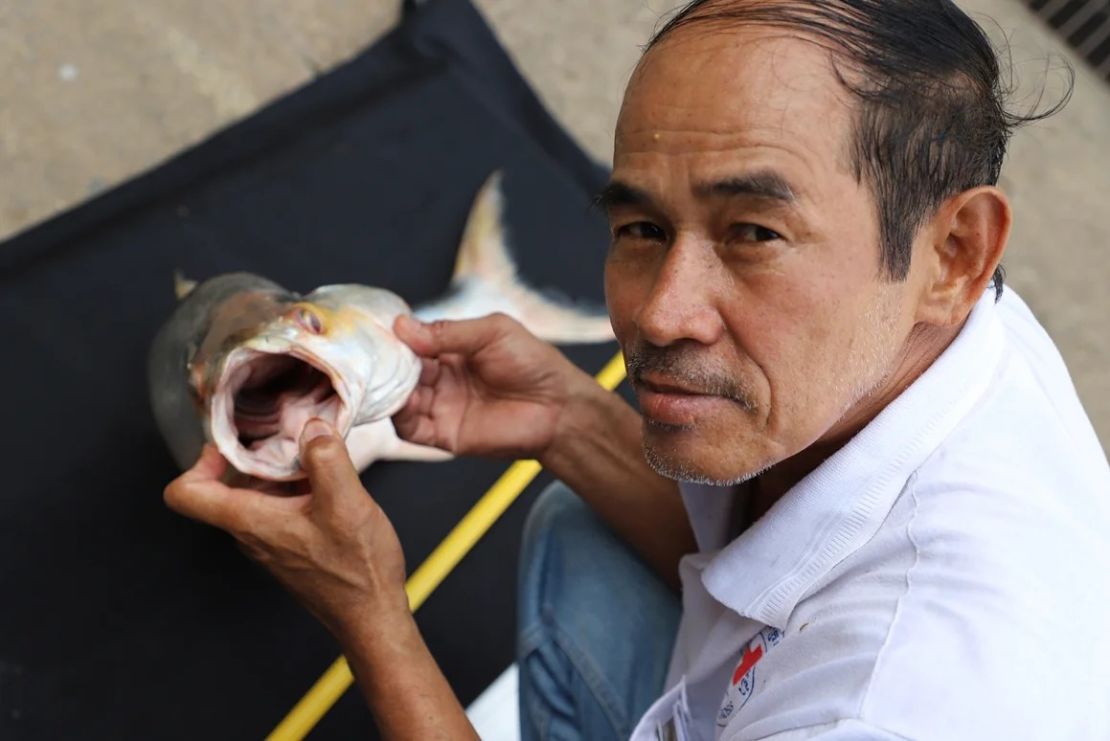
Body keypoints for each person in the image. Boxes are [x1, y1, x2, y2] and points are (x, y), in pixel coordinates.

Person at [163, 0, 1110, 738]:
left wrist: (369, 614)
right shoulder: (947, 327)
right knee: (586, 515)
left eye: (754, 233)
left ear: (955, 251)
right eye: (641, 228)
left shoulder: (900, 704)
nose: (658, 312)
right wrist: (566, 420)